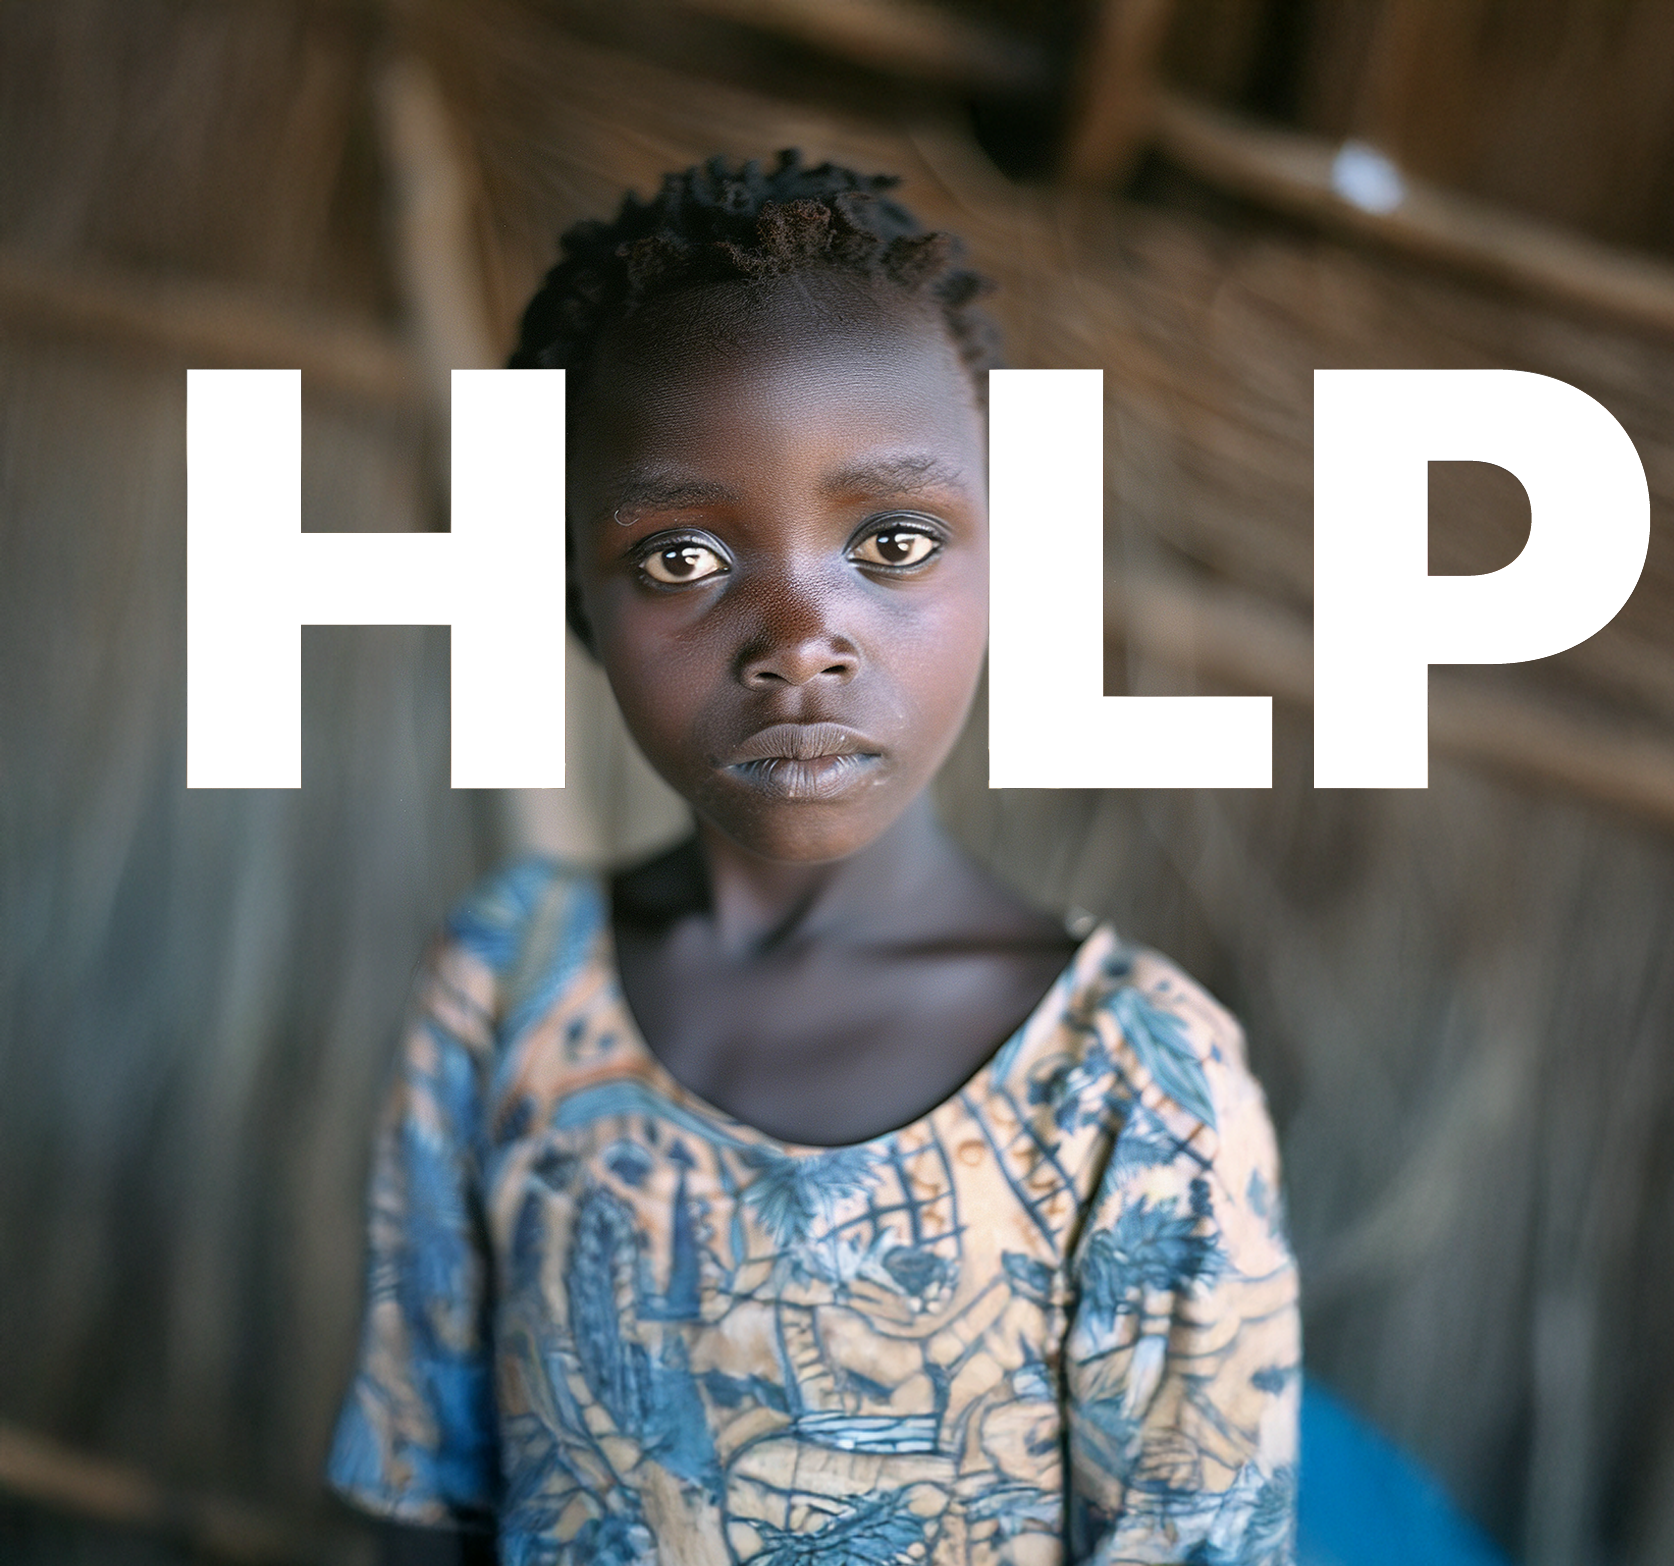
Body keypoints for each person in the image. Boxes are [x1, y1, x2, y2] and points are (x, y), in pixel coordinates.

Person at [326, 152, 1300, 1566]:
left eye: (893, 540)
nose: (799, 634)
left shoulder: (1136, 1086)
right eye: (679, 558)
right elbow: (423, 1512)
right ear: (574, 602)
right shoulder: (506, 985)